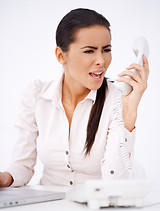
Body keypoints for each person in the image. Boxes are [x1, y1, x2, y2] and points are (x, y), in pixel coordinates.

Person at [0, 8, 149, 187]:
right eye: (89, 51)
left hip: (97, 207)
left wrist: (128, 111)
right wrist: (5, 178)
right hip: (48, 205)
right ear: (61, 55)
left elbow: (115, 183)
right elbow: (22, 165)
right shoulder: (36, 94)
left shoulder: (117, 99)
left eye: (106, 49)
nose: (101, 60)